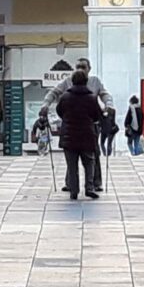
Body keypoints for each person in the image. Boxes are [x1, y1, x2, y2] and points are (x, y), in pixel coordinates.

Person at [42, 58, 111, 192]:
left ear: (89, 69)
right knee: (72, 156)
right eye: (78, 66)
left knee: (93, 154)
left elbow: (105, 95)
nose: (80, 69)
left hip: (89, 125)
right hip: (73, 124)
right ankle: (70, 183)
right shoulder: (68, 81)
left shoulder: (95, 81)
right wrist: (46, 104)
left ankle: (95, 183)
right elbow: (54, 93)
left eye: (83, 67)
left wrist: (109, 105)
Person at [56, 70, 102, 200]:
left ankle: (74, 191)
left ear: (72, 81)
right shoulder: (92, 98)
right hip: (87, 135)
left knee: (72, 165)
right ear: (86, 81)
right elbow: (96, 115)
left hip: (69, 136)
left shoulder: (65, 97)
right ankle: (89, 188)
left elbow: (59, 111)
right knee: (89, 163)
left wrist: (68, 119)